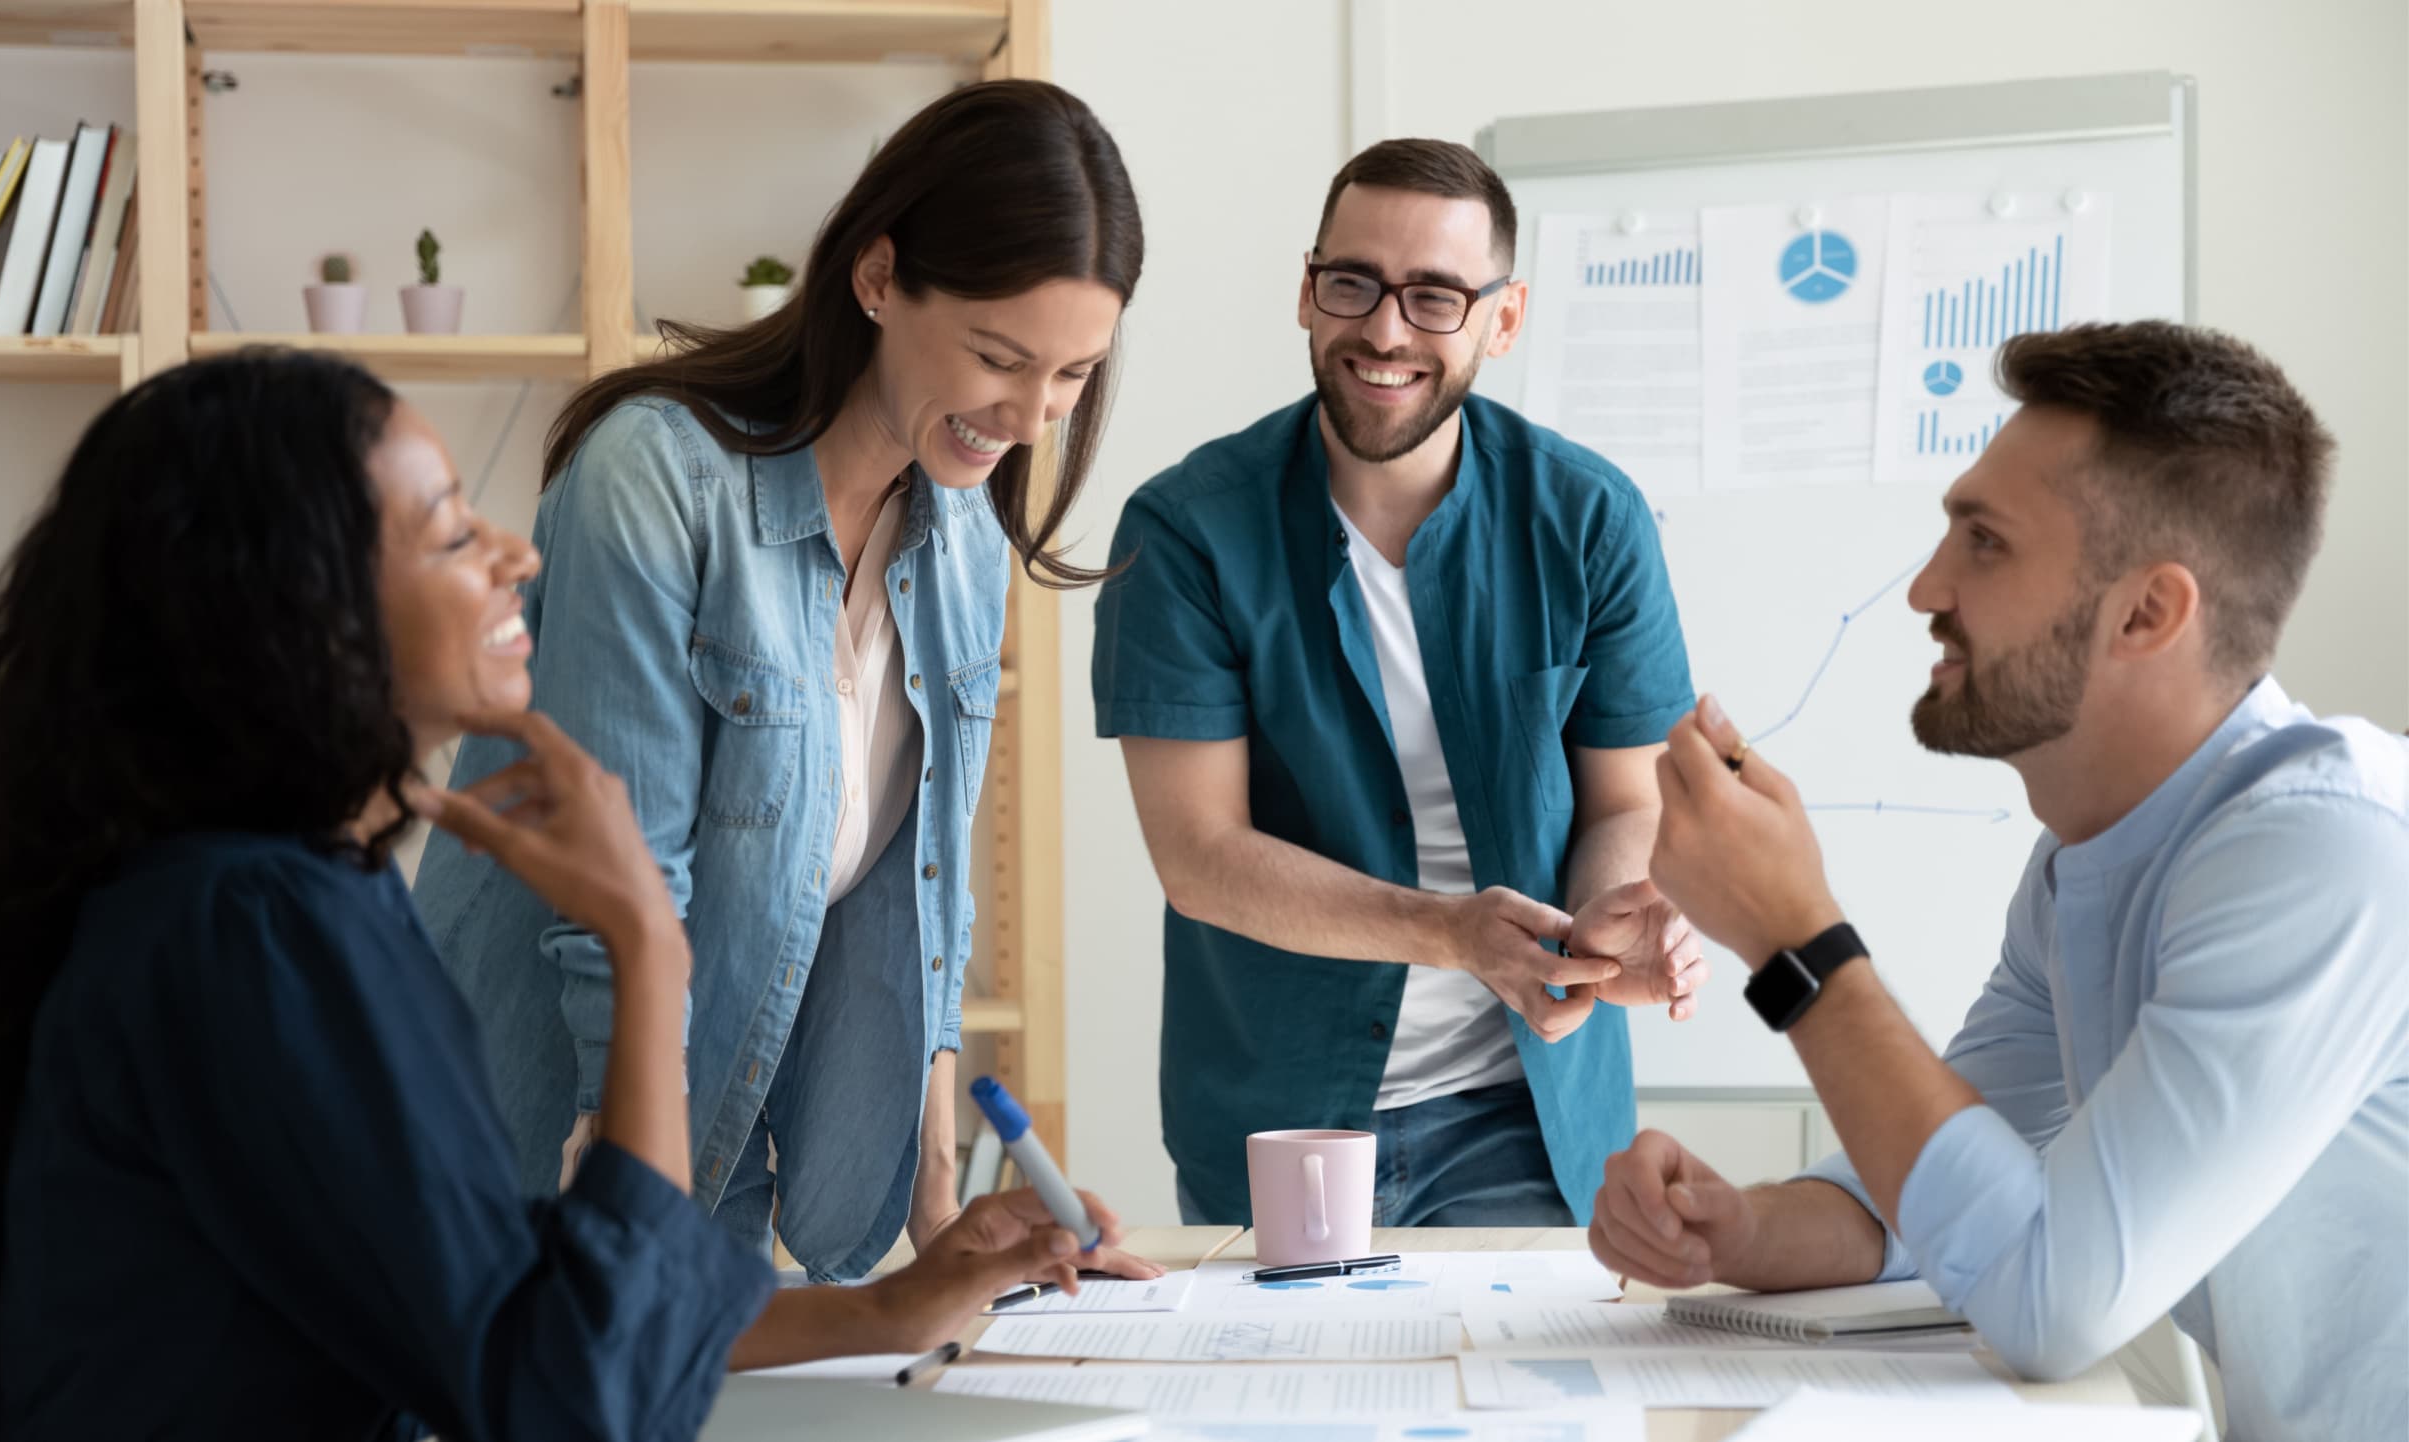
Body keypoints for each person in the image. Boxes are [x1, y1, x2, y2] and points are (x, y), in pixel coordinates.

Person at [0, 351, 1132, 1436]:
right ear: (298, 608)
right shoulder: (255, 931)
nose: (514, 556)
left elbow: (510, 1282)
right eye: (448, 536)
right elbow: (572, 1393)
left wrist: (892, 1307)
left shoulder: (281, 893)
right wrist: (643, 941)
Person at [1596, 321, 2408, 1442]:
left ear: (2146, 612)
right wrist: (1740, 1229)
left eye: (1982, 543)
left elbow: (2045, 1295)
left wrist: (1794, 937)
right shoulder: (2089, 857)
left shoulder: (2326, 851)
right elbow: (1942, 1177)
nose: (1925, 586)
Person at [411, 79, 1158, 1280]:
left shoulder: (960, 528)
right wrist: (633, 1228)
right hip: (545, 1142)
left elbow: (929, 897)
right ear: (875, 278)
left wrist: (940, 1220)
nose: (1028, 417)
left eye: (1071, 375)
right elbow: (620, 896)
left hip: (718, 1141)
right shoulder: (656, 482)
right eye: (995, 356)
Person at [1091, 139, 1707, 1230]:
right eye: (1351, 284)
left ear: (1500, 320)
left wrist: (1602, 925)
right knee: (1290, 1407)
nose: (1383, 329)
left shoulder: (1589, 519)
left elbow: (1627, 800)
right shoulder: (1185, 529)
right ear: (1305, 290)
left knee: (1520, 1404)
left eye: (1433, 296)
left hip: (1522, 1109)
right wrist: (1452, 931)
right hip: (1277, 1118)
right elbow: (1201, 858)